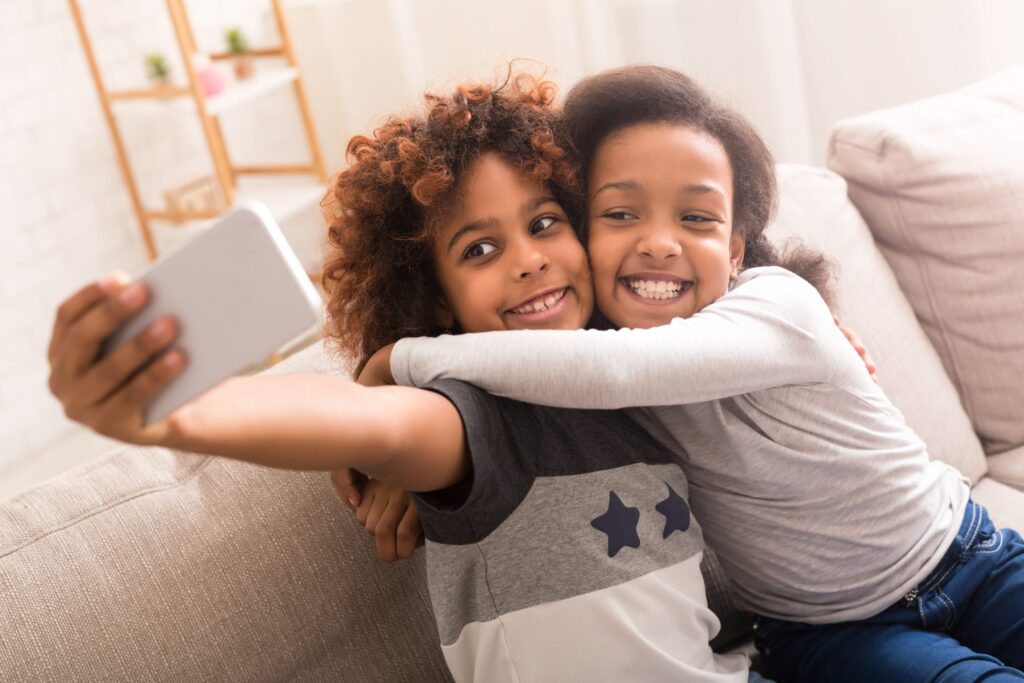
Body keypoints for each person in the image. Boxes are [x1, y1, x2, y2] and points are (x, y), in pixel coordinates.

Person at [46, 71, 749, 682]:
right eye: (479, 248)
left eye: (543, 223)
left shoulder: (637, 370)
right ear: (436, 297)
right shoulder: (480, 421)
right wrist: (181, 415)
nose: (528, 260)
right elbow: (360, 420)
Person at [362, 65, 1024, 682]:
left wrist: (398, 360)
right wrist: (404, 432)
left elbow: (621, 371)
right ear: (583, 232)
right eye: (620, 214)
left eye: (697, 217)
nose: (659, 242)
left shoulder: (777, 305)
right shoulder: (570, 359)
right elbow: (538, 376)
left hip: (971, 553)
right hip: (832, 633)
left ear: (735, 250)